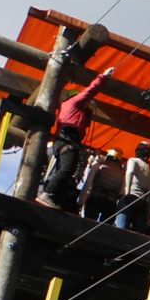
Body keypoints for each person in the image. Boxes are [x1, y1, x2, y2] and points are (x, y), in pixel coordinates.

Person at [38, 65, 114, 209]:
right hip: (68, 138)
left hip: (65, 139)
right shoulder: (73, 103)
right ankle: (47, 193)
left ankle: (52, 194)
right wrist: (103, 77)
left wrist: (87, 113)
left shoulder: (71, 110)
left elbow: (82, 125)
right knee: (67, 169)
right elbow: (89, 92)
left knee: (66, 170)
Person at [118, 141, 150, 234]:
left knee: (120, 229)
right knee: (137, 233)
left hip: (131, 197)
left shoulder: (133, 161)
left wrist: (127, 192)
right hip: (144, 202)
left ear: (137, 151)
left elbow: (130, 173)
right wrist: (149, 209)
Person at [80, 148, 125, 222]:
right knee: (103, 230)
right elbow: (121, 192)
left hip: (95, 198)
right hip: (111, 203)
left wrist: (81, 202)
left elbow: (88, 183)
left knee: (88, 223)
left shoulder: (99, 165)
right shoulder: (123, 173)